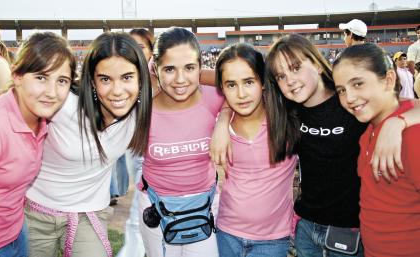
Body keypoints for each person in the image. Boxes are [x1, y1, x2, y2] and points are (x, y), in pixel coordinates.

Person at [258, 34, 420, 257]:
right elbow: (223, 79)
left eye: (296, 68)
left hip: (348, 233)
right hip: (306, 228)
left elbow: (405, 106)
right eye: (281, 76)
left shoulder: (351, 103)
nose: (290, 80)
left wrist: (398, 121)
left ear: (316, 64)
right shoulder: (288, 110)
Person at [24, 32, 152, 257]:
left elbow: (195, 76)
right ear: (92, 81)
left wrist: (224, 117)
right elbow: (13, 93)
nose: (117, 91)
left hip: (89, 215)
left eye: (127, 77)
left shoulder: (141, 106)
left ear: (141, 77)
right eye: (105, 79)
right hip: (36, 213)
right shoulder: (61, 103)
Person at [0, 31, 76, 257]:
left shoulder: (40, 119)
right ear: (17, 76)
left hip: (15, 235)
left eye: (62, 81)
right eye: (41, 77)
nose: (52, 92)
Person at [138, 27, 227, 257]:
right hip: (155, 207)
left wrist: (223, 121)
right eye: (169, 69)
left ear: (200, 67)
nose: (180, 80)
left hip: (204, 206)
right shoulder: (142, 106)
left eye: (189, 67)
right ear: (155, 69)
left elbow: (252, 80)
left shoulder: (214, 97)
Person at [333, 43, 420, 257]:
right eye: (342, 90)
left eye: (358, 84)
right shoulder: (370, 129)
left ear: (388, 80)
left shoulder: (411, 135)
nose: (349, 98)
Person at [213, 43, 297, 257]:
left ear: (263, 82)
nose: (241, 94)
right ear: (221, 88)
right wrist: (222, 120)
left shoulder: (287, 119)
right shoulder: (220, 126)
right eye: (231, 85)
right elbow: (179, 76)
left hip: (272, 241)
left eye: (249, 82)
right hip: (226, 234)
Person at [116, 28, 155, 257]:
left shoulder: (159, 74)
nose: (136, 52)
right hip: (136, 149)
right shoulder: (125, 75)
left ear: (151, 51)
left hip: (158, 152)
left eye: (141, 47)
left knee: (139, 209)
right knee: (140, 203)